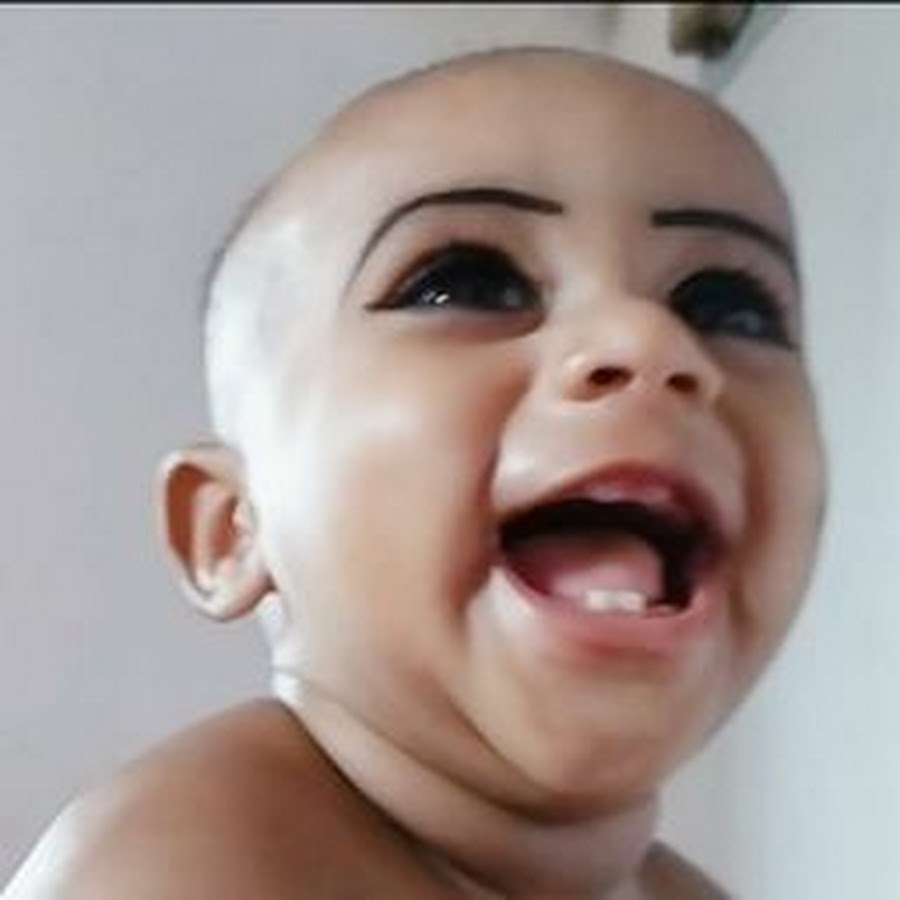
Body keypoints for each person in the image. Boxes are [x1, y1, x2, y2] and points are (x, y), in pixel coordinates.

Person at [5, 46, 825, 899]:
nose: (649, 340)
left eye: (729, 308)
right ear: (234, 530)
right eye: (466, 284)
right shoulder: (189, 866)